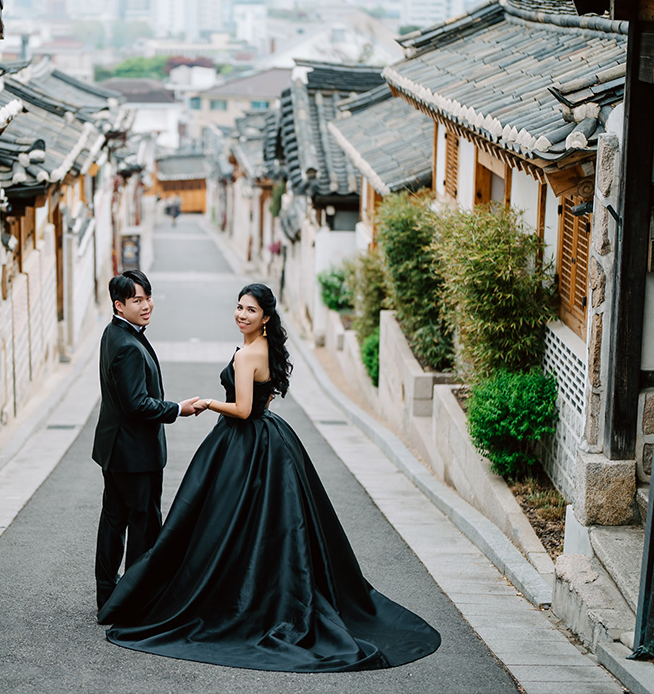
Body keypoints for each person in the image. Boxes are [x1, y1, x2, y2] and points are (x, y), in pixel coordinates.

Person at [97, 283, 441, 673]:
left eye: (250, 310)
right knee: (267, 525)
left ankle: (201, 595)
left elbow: (243, 410)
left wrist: (209, 403)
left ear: (266, 318)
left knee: (217, 523)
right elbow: (265, 399)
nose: (242, 314)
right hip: (271, 438)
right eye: (239, 307)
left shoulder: (246, 355)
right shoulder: (264, 349)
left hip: (241, 441)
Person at [92, 269, 200, 611]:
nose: (147, 305)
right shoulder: (126, 345)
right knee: (142, 524)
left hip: (117, 449)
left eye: (148, 297)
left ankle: (109, 596)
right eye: (138, 300)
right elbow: (136, 404)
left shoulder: (115, 332)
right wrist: (176, 409)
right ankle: (133, 601)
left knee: (113, 521)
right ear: (119, 305)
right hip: (134, 454)